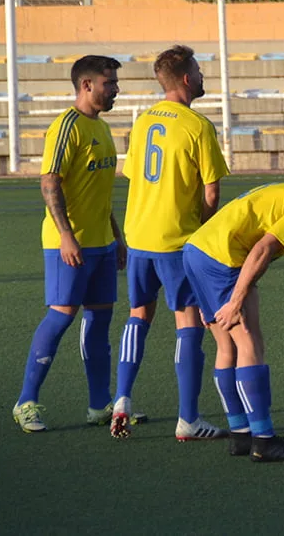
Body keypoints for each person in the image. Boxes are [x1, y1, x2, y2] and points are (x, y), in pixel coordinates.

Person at [112, 45, 230, 440]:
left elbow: (134, 175)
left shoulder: (143, 121)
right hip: (176, 240)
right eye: (197, 70)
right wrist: (203, 231)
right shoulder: (197, 126)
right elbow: (212, 194)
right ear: (184, 78)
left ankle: (122, 399)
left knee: (138, 315)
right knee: (188, 321)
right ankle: (188, 419)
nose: (201, 76)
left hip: (140, 235)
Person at [13, 55, 125, 433]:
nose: (115, 89)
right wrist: (65, 235)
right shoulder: (67, 126)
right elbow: (49, 182)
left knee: (100, 320)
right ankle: (25, 401)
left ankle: (99, 405)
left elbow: (102, 193)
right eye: (109, 83)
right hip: (69, 244)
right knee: (61, 316)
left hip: (102, 245)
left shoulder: (103, 128)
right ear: (87, 85)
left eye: (115, 83)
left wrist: (117, 236)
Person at [182, 182, 284, 462]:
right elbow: (262, 250)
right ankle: (264, 439)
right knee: (250, 343)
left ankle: (240, 434)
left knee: (226, 346)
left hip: (197, 249)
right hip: (223, 258)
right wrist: (235, 300)